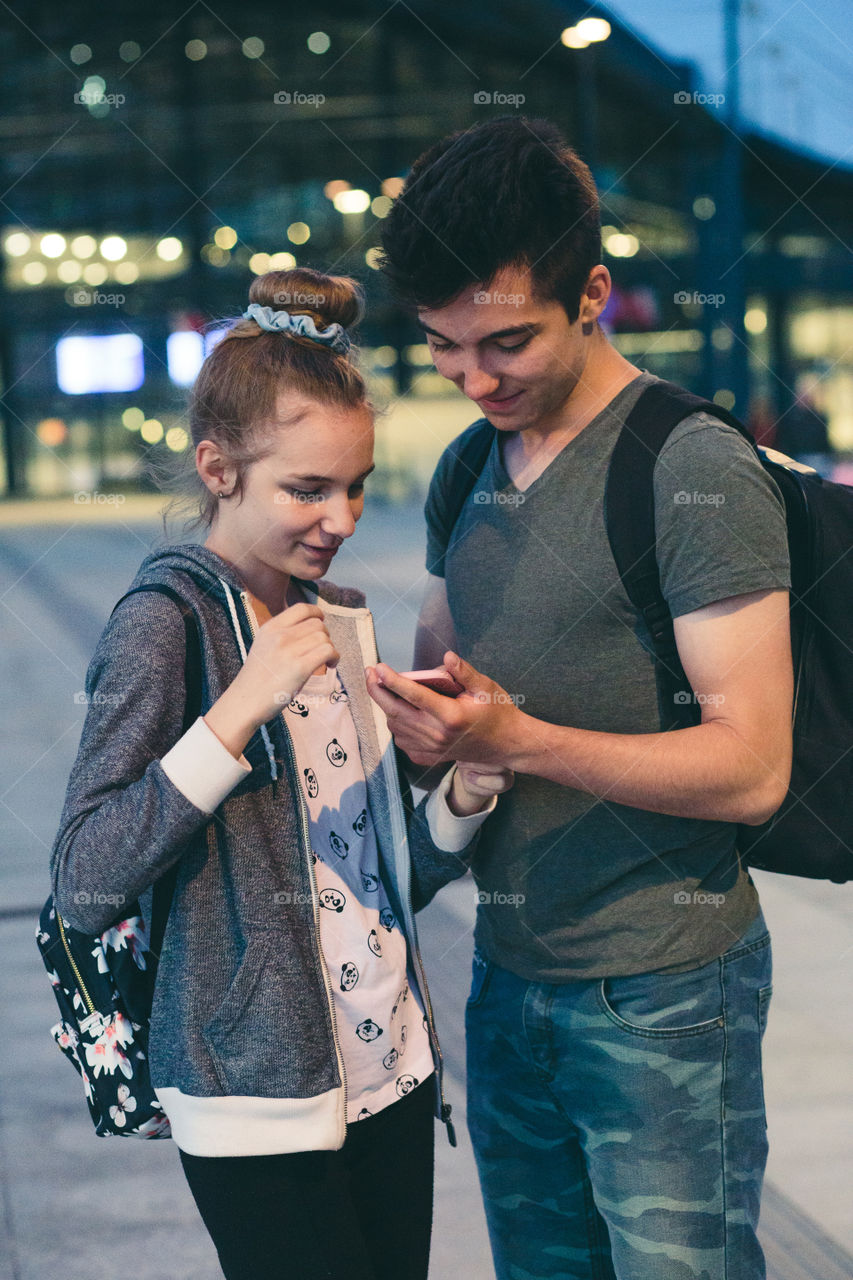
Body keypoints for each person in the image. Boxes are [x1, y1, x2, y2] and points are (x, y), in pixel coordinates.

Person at [369, 117, 794, 1280]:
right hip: (505, 980)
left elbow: (752, 761)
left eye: (503, 342)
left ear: (594, 291)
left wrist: (523, 739)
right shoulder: (465, 466)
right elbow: (440, 691)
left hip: (663, 989)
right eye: (444, 348)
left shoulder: (688, 466)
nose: (472, 377)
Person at [49, 267, 511, 1280]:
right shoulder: (161, 623)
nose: (339, 516)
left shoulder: (337, 615)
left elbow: (385, 874)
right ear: (218, 468)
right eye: (306, 488)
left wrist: (465, 795)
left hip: (389, 1062)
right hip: (253, 1086)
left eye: (355, 483)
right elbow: (85, 874)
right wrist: (238, 708)